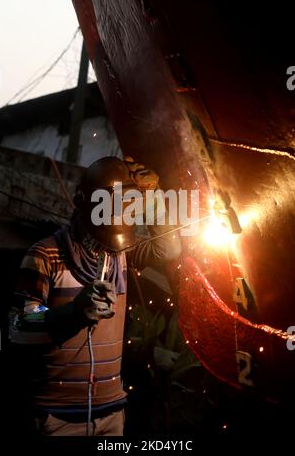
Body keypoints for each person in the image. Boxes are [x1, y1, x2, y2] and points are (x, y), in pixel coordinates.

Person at [9, 156, 181, 436]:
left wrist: (153, 198)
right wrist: (73, 312)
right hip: (56, 417)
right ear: (84, 206)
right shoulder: (45, 255)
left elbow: (168, 249)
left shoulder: (120, 254)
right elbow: (18, 326)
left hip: (111, 412)